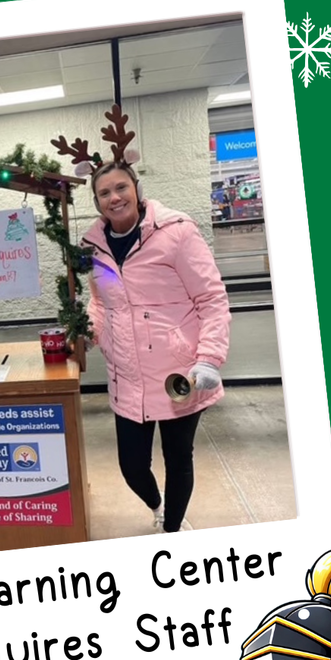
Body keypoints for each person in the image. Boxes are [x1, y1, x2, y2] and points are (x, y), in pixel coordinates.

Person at [83, 151, 231, 534]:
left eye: (120, 187)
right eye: (104, 193)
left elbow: (211, 298)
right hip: (127, 375)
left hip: (178, 373)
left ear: (136, 188)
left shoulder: (176, 232)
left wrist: (210, 359)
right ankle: (158, 505)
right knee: (132, 465)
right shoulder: (95, 247)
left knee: (178, 458)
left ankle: (172, 531)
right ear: (96, 202)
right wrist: (88, 329)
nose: (114, 197)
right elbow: (102, 301)